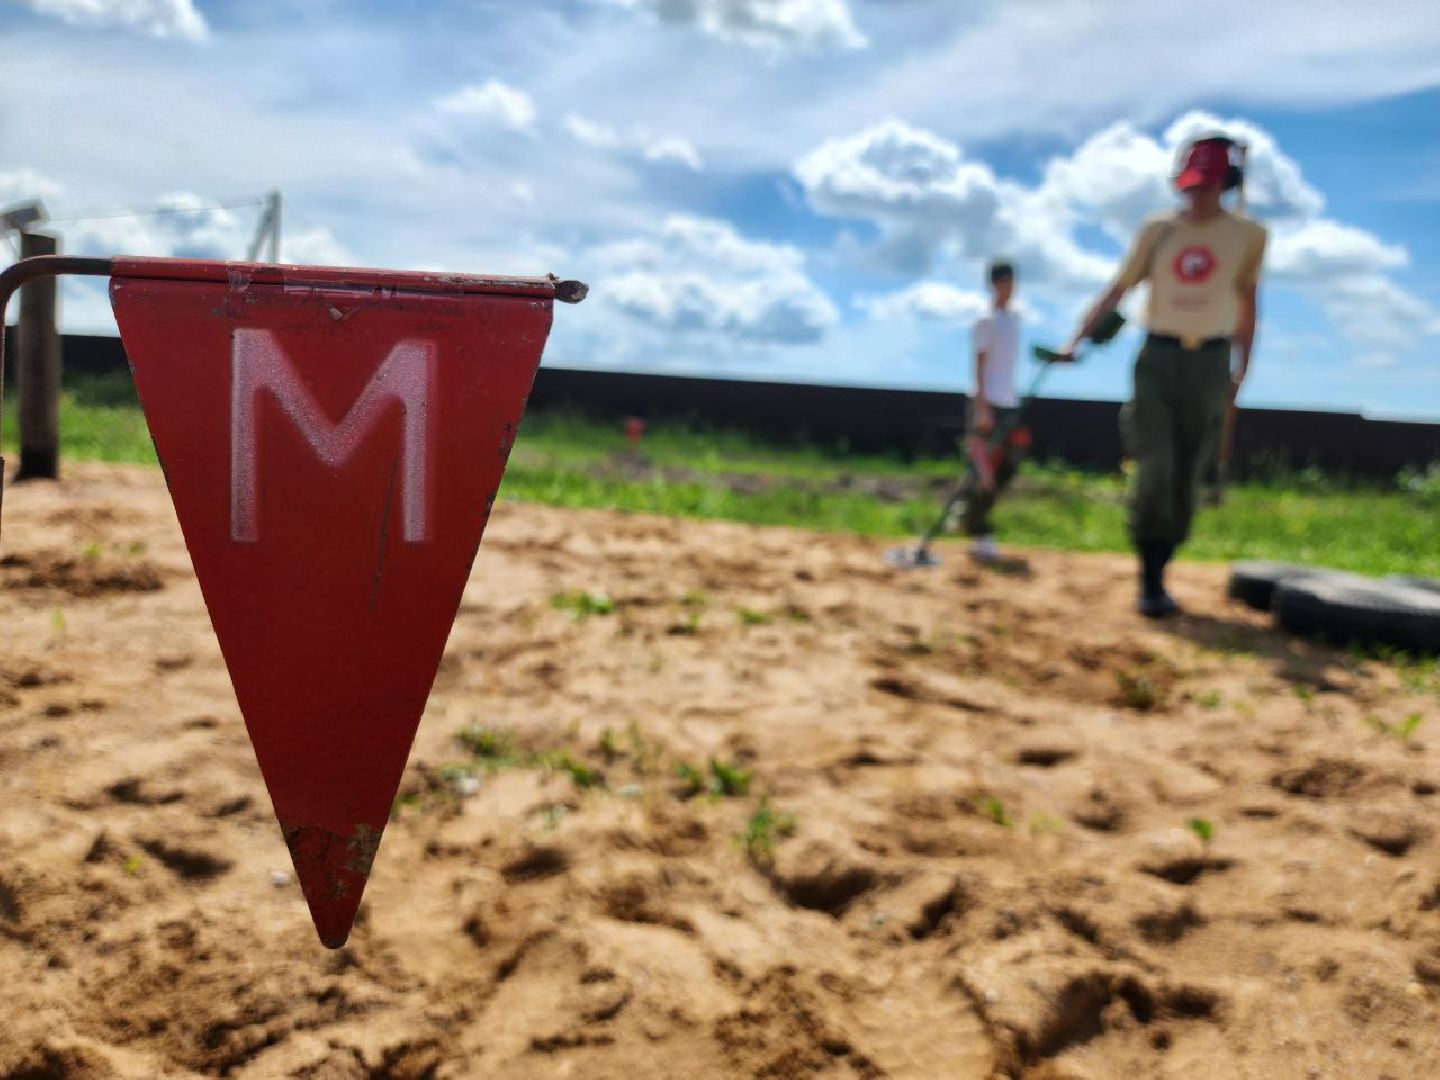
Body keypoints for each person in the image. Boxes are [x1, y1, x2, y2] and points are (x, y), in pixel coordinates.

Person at [1064, 134, 1266, 617]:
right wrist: (1078, 340)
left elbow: (1248, 302)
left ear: (1225, 184)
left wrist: (1242, 366)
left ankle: (1164, 562)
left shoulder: (1248, 235)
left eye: (1206, 187)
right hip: (1158, 356)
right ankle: (1148, 576)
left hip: (1211, 361)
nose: (1195, 198)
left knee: (1188, 471)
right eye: (1189, 187)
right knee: (1156, 463)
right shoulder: (1159, 231)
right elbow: (1119, 288)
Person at [964, 259, 1025, 564]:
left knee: (1009, 464)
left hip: (1009, 402)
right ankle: (978, 531)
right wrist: (981, 408)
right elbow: (979, 364)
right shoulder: (986, 320)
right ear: (993, 284)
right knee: (984, 472)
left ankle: (970, 517)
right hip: (988, 403)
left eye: (1012, 282)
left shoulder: (1014, 319)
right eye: (1003, 282)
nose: (1008, 288)